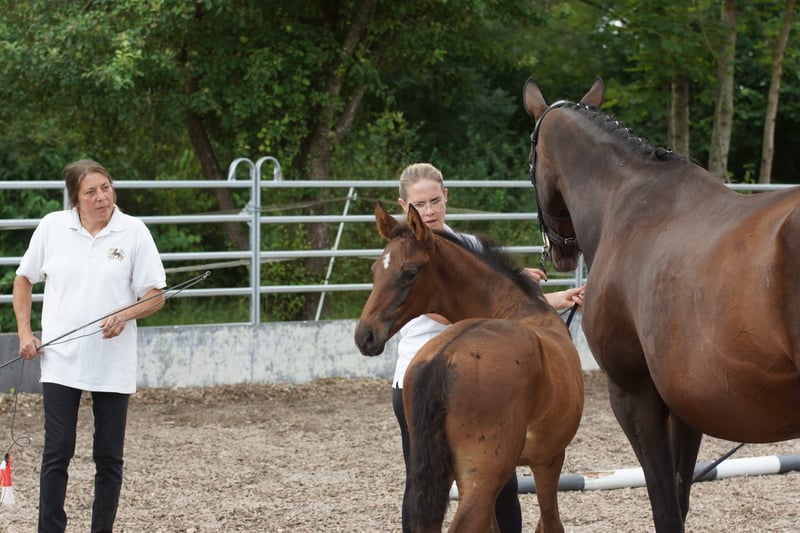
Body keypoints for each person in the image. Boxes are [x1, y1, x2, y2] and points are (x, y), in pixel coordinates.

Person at [392, 162, 585, 532]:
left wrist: (555, 299)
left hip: (485, 375)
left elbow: (502, 305)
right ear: (404, 206)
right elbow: (455, 308)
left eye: (435, 201)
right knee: (423, 485)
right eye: (420, 205)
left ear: (446, 197)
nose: (429, 211)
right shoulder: (406, 255)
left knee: (501, 485)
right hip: (421, 375)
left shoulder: (473, 248)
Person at [12, 159, 167, 533]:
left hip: (113, 362)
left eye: (106, 188)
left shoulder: (134, 231)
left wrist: (125, 314)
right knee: (57, 451)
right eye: (91, 192)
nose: (102, 197)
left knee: (109, 457)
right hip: (60, 360)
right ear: (75, 198)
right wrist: (25, 333)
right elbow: (23, 280)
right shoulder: (53, 227)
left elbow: (156, 295)